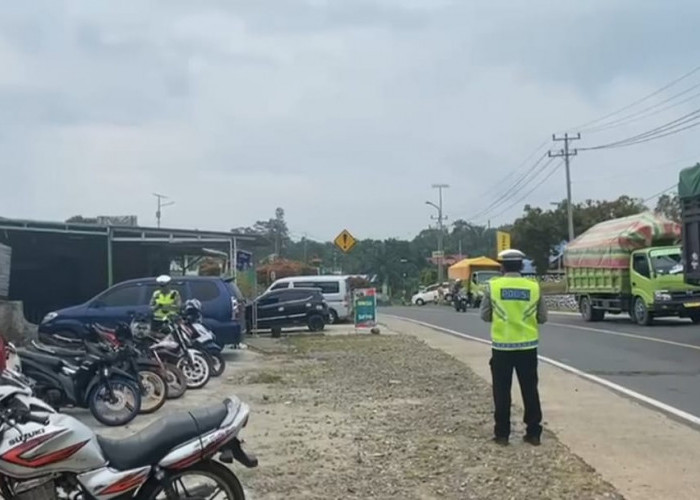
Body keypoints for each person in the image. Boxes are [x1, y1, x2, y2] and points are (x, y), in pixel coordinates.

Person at [479, 249, 548, 446]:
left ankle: (502, 434)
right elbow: (543, 317)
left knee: (502, 391)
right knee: (530, 389)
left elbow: (484, 315)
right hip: (528, 347)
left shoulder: (493, 287)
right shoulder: (533, 287)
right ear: (521, 266)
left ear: (502, 266)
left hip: (502, 348)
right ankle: (533, 433)